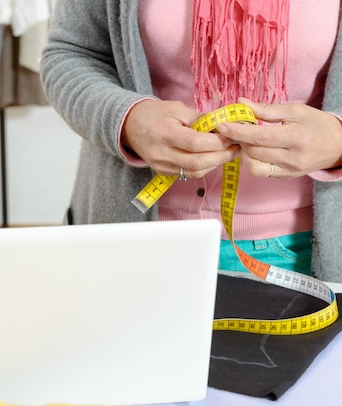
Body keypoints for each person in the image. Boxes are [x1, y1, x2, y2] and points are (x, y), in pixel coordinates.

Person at [40, 1, 342, 282]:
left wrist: (336, 139)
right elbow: (71, 52)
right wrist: (129, 121)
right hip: (130, 240)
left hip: (311, 250)